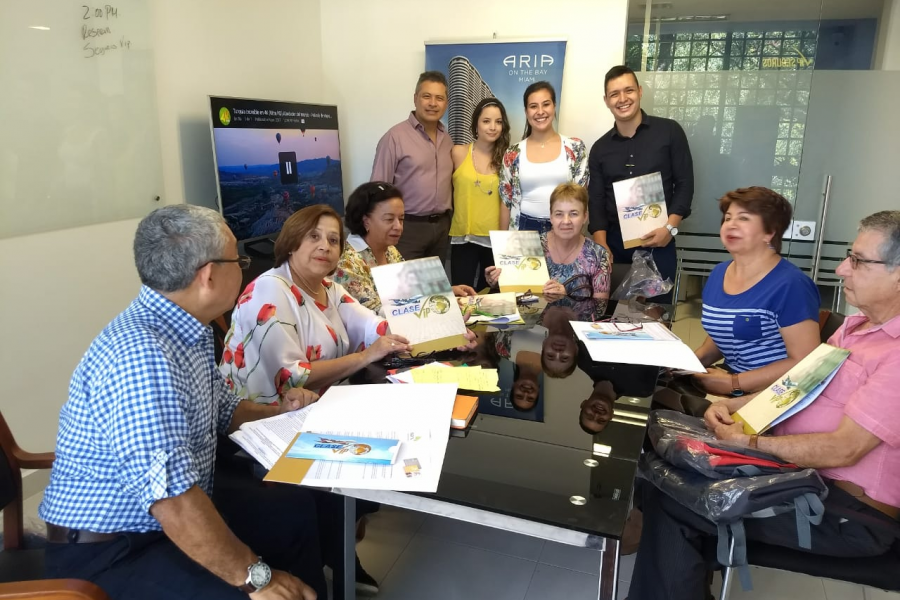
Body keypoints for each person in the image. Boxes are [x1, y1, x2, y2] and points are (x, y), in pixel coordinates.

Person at [39, 205, 324, 600]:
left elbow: (226, 411)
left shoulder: (186, 329)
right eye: (239, 261)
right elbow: (172, 500)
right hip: (114, 548)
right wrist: (257, 579)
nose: (245, 269)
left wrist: (285, 414)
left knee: (293, 509)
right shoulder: (144, 356)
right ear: (208, 275)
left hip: (167, 513)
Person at [629, 210, 900, 600]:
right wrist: (734, 407)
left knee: (671, 500)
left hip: (847, 509)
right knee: (659, 458)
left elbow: (845, 448)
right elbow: (795, 387)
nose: (842, 269)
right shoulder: (857, 328)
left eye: (858, 261)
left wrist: (749, 443)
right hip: (795, 471)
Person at [220, 204, 410, 401]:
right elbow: (290, 378)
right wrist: (365, 356)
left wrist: (415, 328)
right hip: (264, 413)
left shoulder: (329, 288)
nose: (325, 246)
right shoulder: (269, 290)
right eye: (314, 236)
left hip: (320, 403)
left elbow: (372, 326)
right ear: (292, 243)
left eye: (333, 240)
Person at [689, 187, 820, 396]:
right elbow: (725, 333)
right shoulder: (719, 273)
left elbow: (805, 361)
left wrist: (734, 382)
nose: (731, 224)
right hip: (733, 386)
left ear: (770, 232)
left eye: (744, 218)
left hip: (776, 395)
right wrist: (688, 365)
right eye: (728, 218)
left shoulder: (791, 284)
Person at [588, 65, 694, 299]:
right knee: (610, 316)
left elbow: (685, 184)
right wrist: (601, 246)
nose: (622, 99)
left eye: (629, 90)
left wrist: (670, 229)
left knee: (657, 314)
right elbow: (596, 200)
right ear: (606, 100)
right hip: (614, 247)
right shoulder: (599, 149)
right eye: (614, 94)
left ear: (640, 91)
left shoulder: (669, 132)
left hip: (660, 242)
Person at [333, 182, 477, 315]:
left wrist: (446, 293)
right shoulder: (347, 263)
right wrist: (439, 304)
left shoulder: (390, 250)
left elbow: (409, 293)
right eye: (389, 219)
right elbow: (375, 312)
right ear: (366, 221)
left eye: (401, 219)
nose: (398, 227)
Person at [371, 71, 453, 262]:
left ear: (446, 103)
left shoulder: (447, 139)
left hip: (442, 228)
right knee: (404, 281)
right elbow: (377, 190)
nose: (433, 103)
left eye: (439, 98)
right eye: (427, 96)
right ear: (415, 98)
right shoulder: (394, 137)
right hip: (406, 229)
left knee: (436, 281)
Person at [487, 183, 611, 304]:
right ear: (551, 217)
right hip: (532, 317)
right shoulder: (529, 247)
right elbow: (514, 298)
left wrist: (567, 297)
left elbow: (600, 309)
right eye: (559, 214)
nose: (566, 221)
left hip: (578, 318)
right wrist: (497, 282)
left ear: (585, 217)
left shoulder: (599, 255)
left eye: (573, 214)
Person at [499, 81, 588, 234]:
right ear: (526, 112)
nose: (540, 111)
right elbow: (506, 202)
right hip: (523, 229)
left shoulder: (575, 148)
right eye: (533, 106)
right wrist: (502, 244)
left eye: (546, 104)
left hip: (564, 228)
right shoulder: (513, 153)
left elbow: (582, 199)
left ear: (554, 106)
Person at [450, 97, 511, 291]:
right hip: (464, 237)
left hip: (495, 241)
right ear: (476, 124)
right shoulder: (458, 153)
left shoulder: (508, 158)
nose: (493, 127)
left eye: (498, 122)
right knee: (462, 296)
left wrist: (505, 244)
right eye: (486, 121)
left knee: (491, 298)